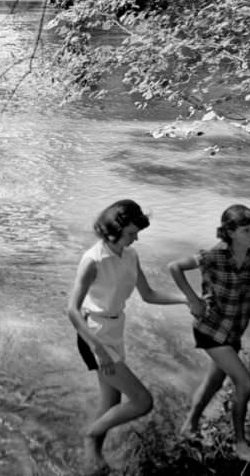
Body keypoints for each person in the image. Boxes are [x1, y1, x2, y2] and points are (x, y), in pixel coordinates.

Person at [68, 200, 188, 473]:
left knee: (112, 403)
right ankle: (89, 437)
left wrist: (186, 301)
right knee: (143, 401)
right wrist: (98, 349)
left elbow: (149, 295)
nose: (137, 237)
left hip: (114, 329)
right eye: (133, 231)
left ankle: (93, 457)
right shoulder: (93, 260)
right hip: (93, 335)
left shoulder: (130, 255)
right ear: (115, 230)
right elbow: (72, 311)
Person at [168, 204, 250, 462]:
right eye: (247, 230)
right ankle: (240, 442)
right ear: (230, 231)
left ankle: (189, 425)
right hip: (210, 328)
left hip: (233, 332)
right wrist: (192, 299)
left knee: (214, 381)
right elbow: (174, 267)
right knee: (245, 382)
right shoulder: (213, 256)